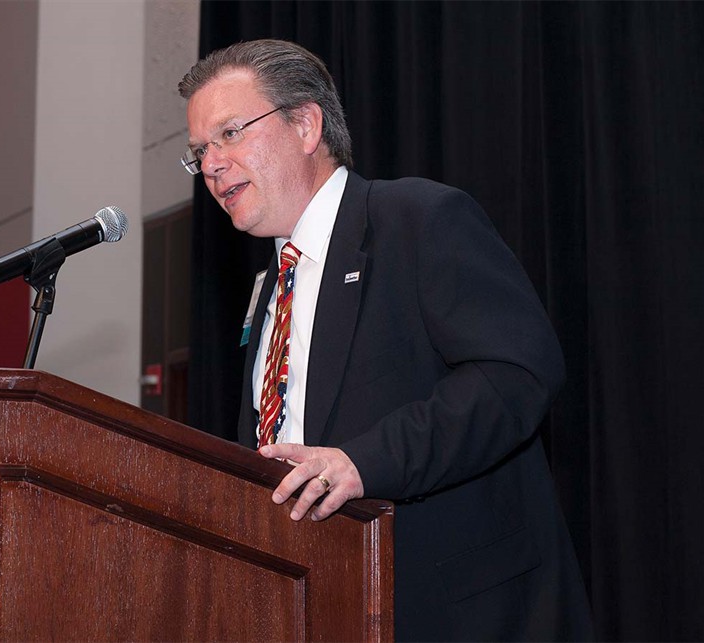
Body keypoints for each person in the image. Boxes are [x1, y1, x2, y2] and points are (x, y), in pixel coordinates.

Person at [178, 39, 593, 641]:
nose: (212, 164)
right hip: (322, 605)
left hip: (459, 611)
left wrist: (361, 464)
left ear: (305, 125)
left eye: (230, 133)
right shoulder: (270, 285)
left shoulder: (417, 220)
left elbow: (517, 373)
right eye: (199, 151)